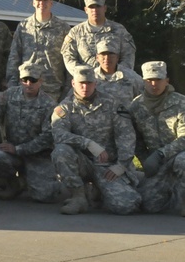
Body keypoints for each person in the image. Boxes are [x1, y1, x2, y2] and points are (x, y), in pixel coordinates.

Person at [51, 65, 141, 215]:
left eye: (89, 83)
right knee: (61, 151)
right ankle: (78, 197)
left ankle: (101, 191)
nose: (85, 87)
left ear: (95, 83)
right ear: (73, 83)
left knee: (127, 205)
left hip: (108, 166)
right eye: (81, 83)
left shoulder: (112, 104)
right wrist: (88, 143)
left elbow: (126, 136)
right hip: (82, 162)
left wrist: (122, 165)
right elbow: (58, 133)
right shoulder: (65, 108)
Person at [129, 61, 185, 217]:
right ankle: (173, 189)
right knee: (148, 204)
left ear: (167, 81)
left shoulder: (181, 103)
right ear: (143, 81)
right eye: (149, 80)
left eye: (158, 80)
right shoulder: (136, 106)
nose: (154, 84)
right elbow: (136, 140)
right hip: (157, 160)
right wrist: (146, 160)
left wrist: (160, 154)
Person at [0, 61, 58, 203]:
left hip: (38, 155)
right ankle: (13, 184)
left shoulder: (49, 104)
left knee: (45, 196)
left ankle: (30, 179)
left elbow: (48, 137)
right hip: (11, 151)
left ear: (40, 81)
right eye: (24, 80)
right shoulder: (9, 95)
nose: (28, 84)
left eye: (33, 80)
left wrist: (18, 149)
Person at [5, 0, 70, 101]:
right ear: (33, 3)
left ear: (51, 3)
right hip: (27, 87)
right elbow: (14, 57)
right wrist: (12, 84)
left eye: (45, 0)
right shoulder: (24, 26)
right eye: (39, 0)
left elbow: (68, 58)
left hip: (53, 89)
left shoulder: (63, 27)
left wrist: (68, 88)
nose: (42, 3)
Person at [62, 0, 136, 73]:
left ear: (104, 8)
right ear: (86, 10)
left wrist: (117, 75)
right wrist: (82, 74)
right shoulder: (76, 32)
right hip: (86, 82)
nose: (95, 10)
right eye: (91, 7)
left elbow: (128, 56)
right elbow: (68, 57)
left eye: (98, 6)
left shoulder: (119, 30)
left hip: (113, 82)